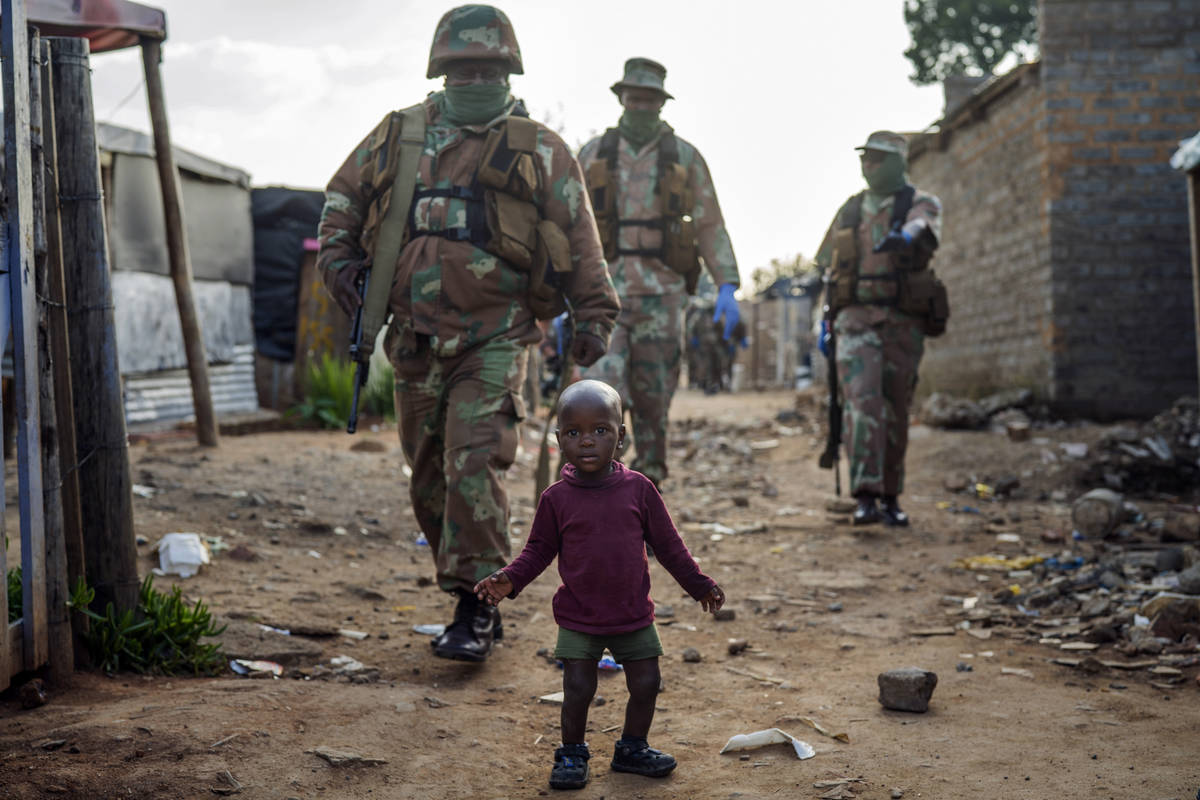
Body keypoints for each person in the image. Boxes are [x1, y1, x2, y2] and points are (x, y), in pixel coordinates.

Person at [317, 5, 620, 663]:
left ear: (509, 70)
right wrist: (338, 261)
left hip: (496, 335)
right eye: (463, 67)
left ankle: (475, 604)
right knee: (428, 474)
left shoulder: (540, 146)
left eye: (489, 67)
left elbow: (579, 237)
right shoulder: (400, 134)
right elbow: (342, 199)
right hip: (414, 338)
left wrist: (594, 316)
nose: (476, 77)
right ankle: (466, 591)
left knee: (475, 461)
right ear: (441, 70)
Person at [473, 379, 725, 790]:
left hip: (633, 613)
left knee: (646, 682)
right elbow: (538, 551)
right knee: (577, 687)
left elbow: (669, 545)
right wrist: (509, 579)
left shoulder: (639, 490)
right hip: (578, 615)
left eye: (600, 431)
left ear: (621, 436)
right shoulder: (556, 499)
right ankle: (572, 752)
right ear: (559, 440)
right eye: (574, 433)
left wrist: (700, 584)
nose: (587, 441)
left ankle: (632, 748)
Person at [578, 57, 741, 488]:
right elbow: (568, 225)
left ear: (661, 103)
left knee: (654, 405)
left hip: (663, 298)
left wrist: (727, 283)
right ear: (621, 98)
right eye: (635, 98)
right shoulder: (593, 154)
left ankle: (645, 503)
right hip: (602, 296)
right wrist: (557, 293)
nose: (641, 106)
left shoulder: (685, 158)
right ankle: (596, 498)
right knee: (596, 400)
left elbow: (709, 224)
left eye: (650, 99)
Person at [814, 131, 946, 527]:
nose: (870, 166)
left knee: (894, 408)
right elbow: (827, 266)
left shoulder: (917, 202)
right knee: (861, 406)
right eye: (866, 158)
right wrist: (824, 321)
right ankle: (866, 496)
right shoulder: (850, 210)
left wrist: (903, 235)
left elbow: (924, 224)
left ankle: (892, 495)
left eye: (879, 159)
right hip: (854, 320)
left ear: (898, 162)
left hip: (900, 322)